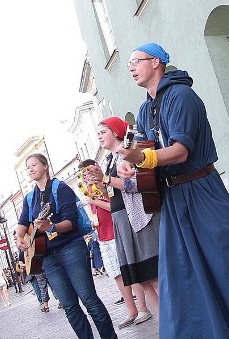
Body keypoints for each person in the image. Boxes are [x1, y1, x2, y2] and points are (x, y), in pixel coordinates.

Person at [119, 43, 229, 338]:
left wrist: (142, 158)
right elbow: (146, 153)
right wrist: (131, 168)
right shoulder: (145, 109)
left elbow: (181, 151)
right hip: (173, 200)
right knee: (184, 279)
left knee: (228, 268)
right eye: (130, 64)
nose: (131, 67)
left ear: (156, 62)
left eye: (136, 61)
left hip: (201, 191)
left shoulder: (181, 96)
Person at [15, 153, 116, 339]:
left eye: (34, 165)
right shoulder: (30, 198)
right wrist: (19, 236)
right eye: (27, 167)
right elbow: (23, 221)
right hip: (47, 256)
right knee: (69, 306)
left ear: (45, 166)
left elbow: (71, 221)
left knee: (89, 299)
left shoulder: (60, 189)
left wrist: (51, 226)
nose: (30, 169)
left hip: (71, 248)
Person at [82, 140, 155, 328]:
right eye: (83, 174)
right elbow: (110, 198)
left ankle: (143, 309)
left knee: (146, 274)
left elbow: (123, 193)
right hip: (110, 229)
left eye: (89, 171)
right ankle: (136, 311)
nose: (86, 176)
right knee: (127, 274)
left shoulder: (120, 158)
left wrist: (98, 194)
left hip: (124, 222)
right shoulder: (99, 177)